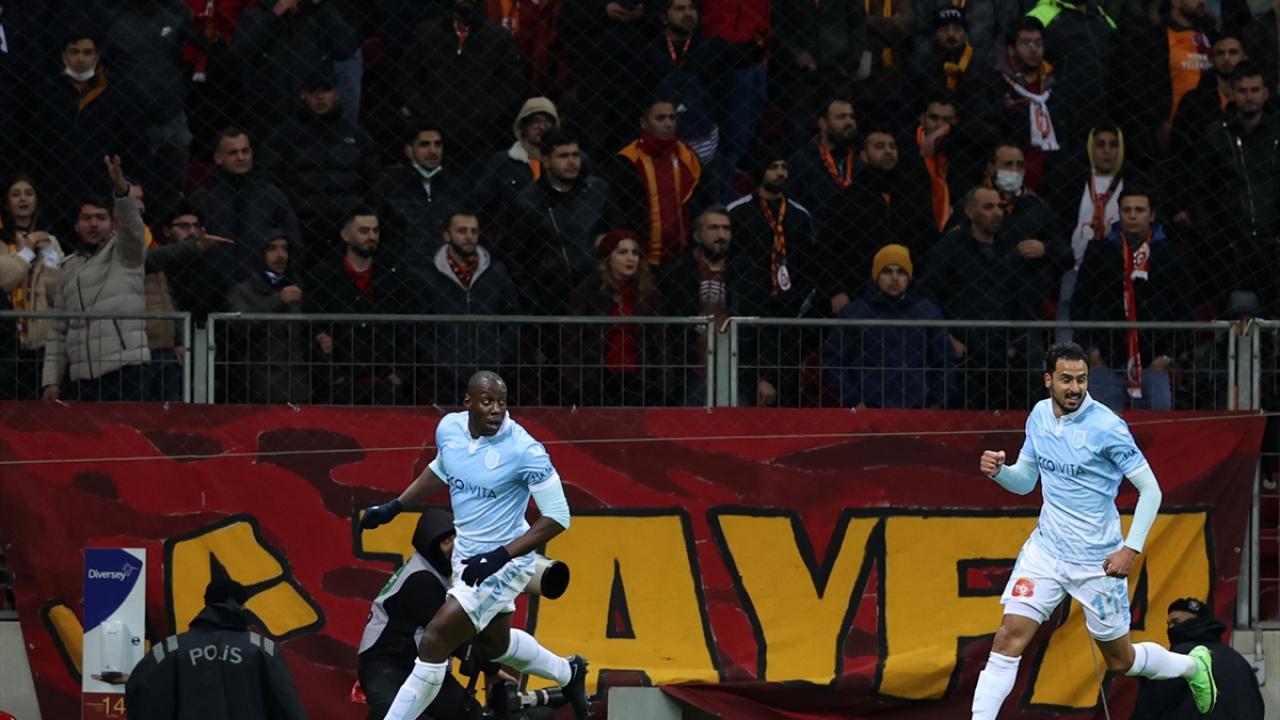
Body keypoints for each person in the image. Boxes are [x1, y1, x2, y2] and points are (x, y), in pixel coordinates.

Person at [970, 341, 1217, 720]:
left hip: (1097, 563)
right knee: (1007, 638)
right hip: (1046, 552)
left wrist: (1130, 549)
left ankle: (1192, 666)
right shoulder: (1038, 416)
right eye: (1066, 379)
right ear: (1048, 380)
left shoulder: (1107, 427)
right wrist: (1000, 472)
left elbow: (1151, 490)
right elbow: (1025, 481)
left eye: (1081, 380)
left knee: (1120, 660)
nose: (1075, 388)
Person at [359, 371, 591, 720]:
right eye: (487, 402)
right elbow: (441, 469)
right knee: (494, 645)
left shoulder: (525, 450)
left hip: (505, 562)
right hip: (467, 557)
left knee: (434, 641)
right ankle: (568, 671)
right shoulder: (449, 429)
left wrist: (499, 557)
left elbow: (558, 516)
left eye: (502, 402)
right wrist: (396, 505)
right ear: (468, 403)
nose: (496, 409)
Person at [359, 509, 515, 720]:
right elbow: (453, 634)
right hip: (387, 666)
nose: (454, 546)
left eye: (456, 538)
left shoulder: (436, 572)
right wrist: (491, 666)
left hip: (423, 666)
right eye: (445, 541)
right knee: (391, 715)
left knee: (470, 715)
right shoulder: (421, 579)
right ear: (430, 547)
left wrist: (489, 668)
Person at [41, 157, 150, 403]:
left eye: (100, 217)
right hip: (82, 377)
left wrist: (122, 191)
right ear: (76, 225)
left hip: (126, 370)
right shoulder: (68, 267)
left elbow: (133, 227)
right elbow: (58, 330)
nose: (93, 224)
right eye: (86, 218)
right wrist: (51, 380)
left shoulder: (126, 252)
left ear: (113, 223)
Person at [1072, 188, 1191, 412]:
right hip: (1106, 359)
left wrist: (1168, 357)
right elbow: (1080, 303)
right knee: (1101, 427)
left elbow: (1184, 309)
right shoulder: (1100, 251)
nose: (1132, 216)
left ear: (1152, 215)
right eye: (1126, 210)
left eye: (1139, 210)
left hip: (1154, 362)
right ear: (1119, 214)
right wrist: (1091, 351)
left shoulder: (1170, 254)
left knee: (1157, 427)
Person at [124, 579, 309, 720]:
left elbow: (140, 692)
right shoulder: (262, 649)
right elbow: (287, 704)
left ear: (207, 603)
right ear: (239, 605)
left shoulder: (171, 648)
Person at [305, 209, 419, 406]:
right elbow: (310, 330)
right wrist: (334, 377)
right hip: (339, 386)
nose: (371, 236)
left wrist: (400, 373)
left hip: (386, 384)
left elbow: (409, 327)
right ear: (345, 234)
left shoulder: (395, 277)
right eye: (364, 231)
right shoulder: (322, 276)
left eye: (375, 231)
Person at [822, 244, 953, 409]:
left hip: (917, 410)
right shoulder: (854, 313)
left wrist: (935, 405)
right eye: (887, 271)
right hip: (867, 410)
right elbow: (833, 361)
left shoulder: (928, 313)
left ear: (909, 277)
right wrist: (853, 400)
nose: (895, 278)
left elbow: (944, 363)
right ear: (876, 275)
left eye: (901, 272)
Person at [418, 211, 520, 405]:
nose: (469, 237)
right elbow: (421, 327)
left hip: (490, 372)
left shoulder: (496, 273)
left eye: (474, 231)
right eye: (462, 231)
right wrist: (441, 359)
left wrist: (497, 353)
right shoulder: (428, 276)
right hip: (444, 376)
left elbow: (512, 318)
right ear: (447, 235)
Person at [564, 229, 672, 407]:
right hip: (596, 379)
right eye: (623, 252)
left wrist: (662, 386)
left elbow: (661, 341)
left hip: (640, 379)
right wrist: (575, 384)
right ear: (609, 257)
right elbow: (572, 339)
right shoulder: (589, 289)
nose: (631, 258)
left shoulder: (648, 292)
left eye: (635, 253)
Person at [610, 98, 706, 269]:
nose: (668, 124)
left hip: (683, 261)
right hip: (639, 262)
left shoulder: (688, 157)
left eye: (672, 118)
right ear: (644, 122)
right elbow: (619, 212)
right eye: (660, 118)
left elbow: (702, 202)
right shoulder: (628, 161)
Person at [1132, 598, 1265, 719]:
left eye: (1176, 622)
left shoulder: (1178, 658)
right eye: (1169, 624)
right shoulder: (1237, 660)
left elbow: (1150, 708)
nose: (1171, 628)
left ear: (1198, 622)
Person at [224, 232, 310, 405]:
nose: (281, 255)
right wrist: (279, 301)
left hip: (298, 385)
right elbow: (241, 326)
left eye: (285, 249)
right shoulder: (241, 290)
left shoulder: (298, 286)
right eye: (272, 249)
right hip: (258, 386)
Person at [371, 122, 467, 272]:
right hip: (401, 275)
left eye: (437, 144)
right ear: (409, 151)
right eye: (424, 145)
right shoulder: (388, 184)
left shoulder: (457, 186)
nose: (433, 151)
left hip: (447, 274)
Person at [1, 176, 64, 399]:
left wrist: (49, 256)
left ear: (37, 200)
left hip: (40, 343)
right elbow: (3, 281)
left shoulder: (50, 242)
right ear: (6, 203)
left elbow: (58, 295)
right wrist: (26, 253)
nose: (23, 199)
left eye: (29, 193)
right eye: (15, 194)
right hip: (5, 340)